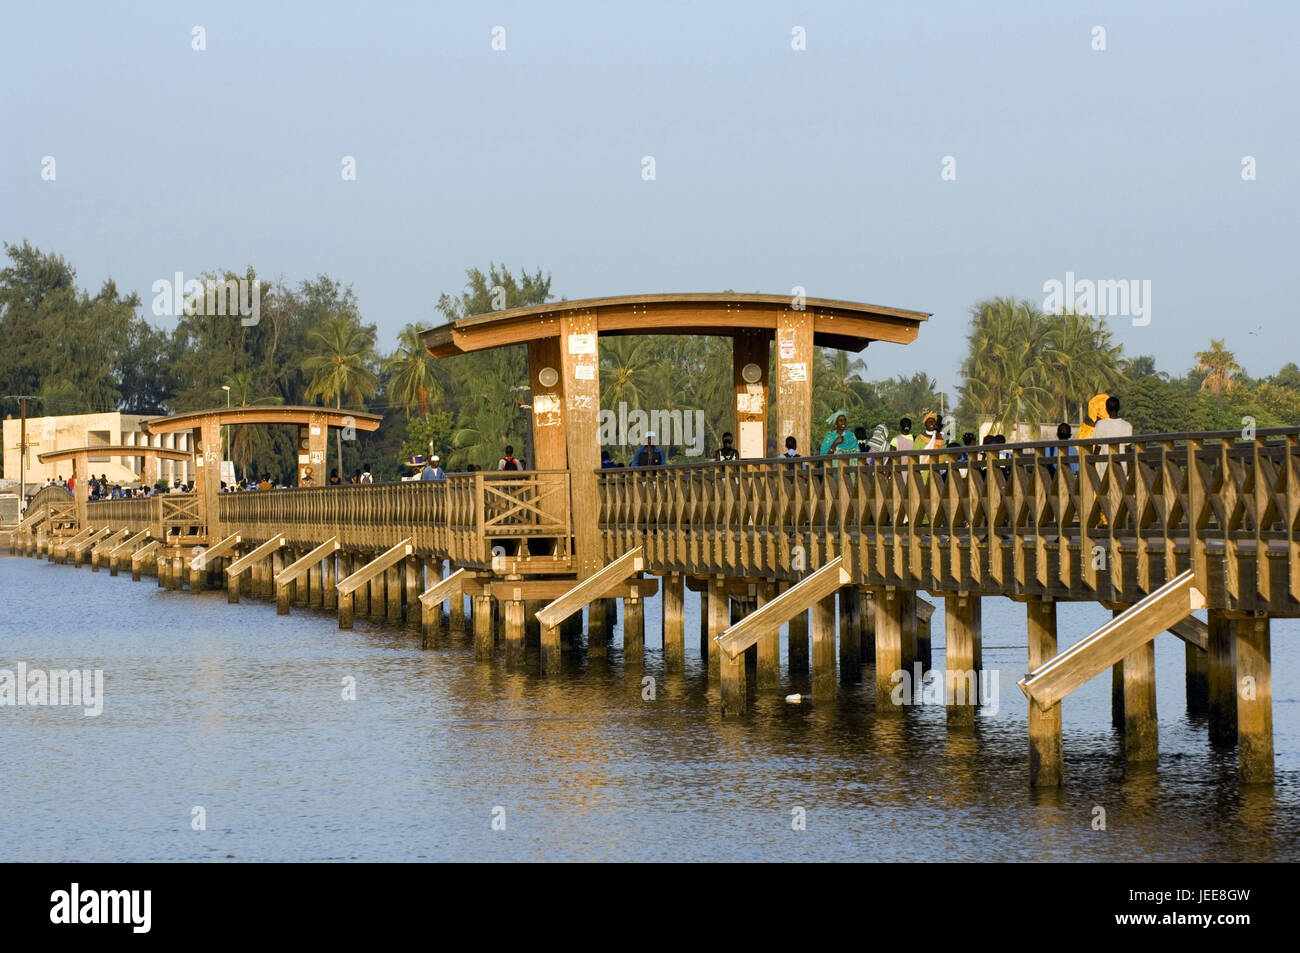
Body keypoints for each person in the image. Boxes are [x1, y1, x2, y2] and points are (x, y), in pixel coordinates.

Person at [1092, 395, 1133, 478]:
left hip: (1104, 467)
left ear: (1106, 409)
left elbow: (1097, 447)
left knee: (1104, 490)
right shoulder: (1127, 426)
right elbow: (1128, 449)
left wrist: (1092, 464)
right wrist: (1130, 468)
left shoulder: (1100, 424)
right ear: (1119, 408)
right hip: (1122, 467)